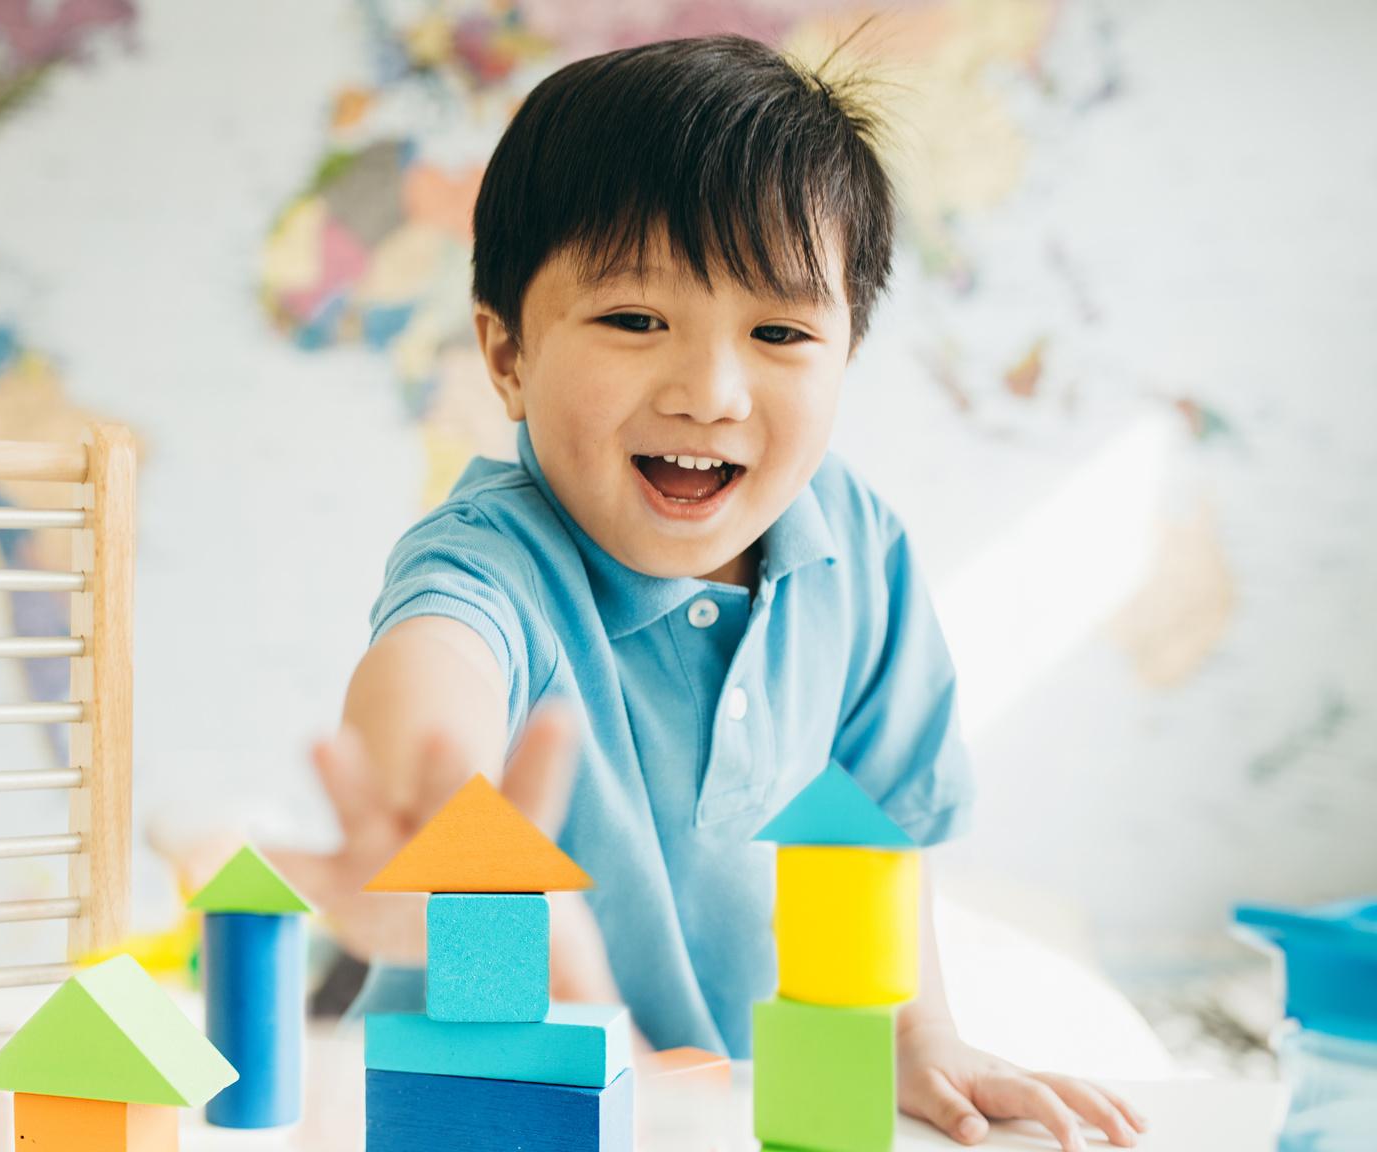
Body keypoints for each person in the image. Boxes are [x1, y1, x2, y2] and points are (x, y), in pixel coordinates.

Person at [179, 34, 1145, 1151]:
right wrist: (421, 804)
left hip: (753, 1109)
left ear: (846, 354)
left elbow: (877, 837)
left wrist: (916, 1035)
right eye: (636, 321)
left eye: (779, 332)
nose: (711, 392)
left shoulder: (859, 546)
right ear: (507, 356)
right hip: (505, 1101)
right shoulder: (497, 558)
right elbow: (438, 661)